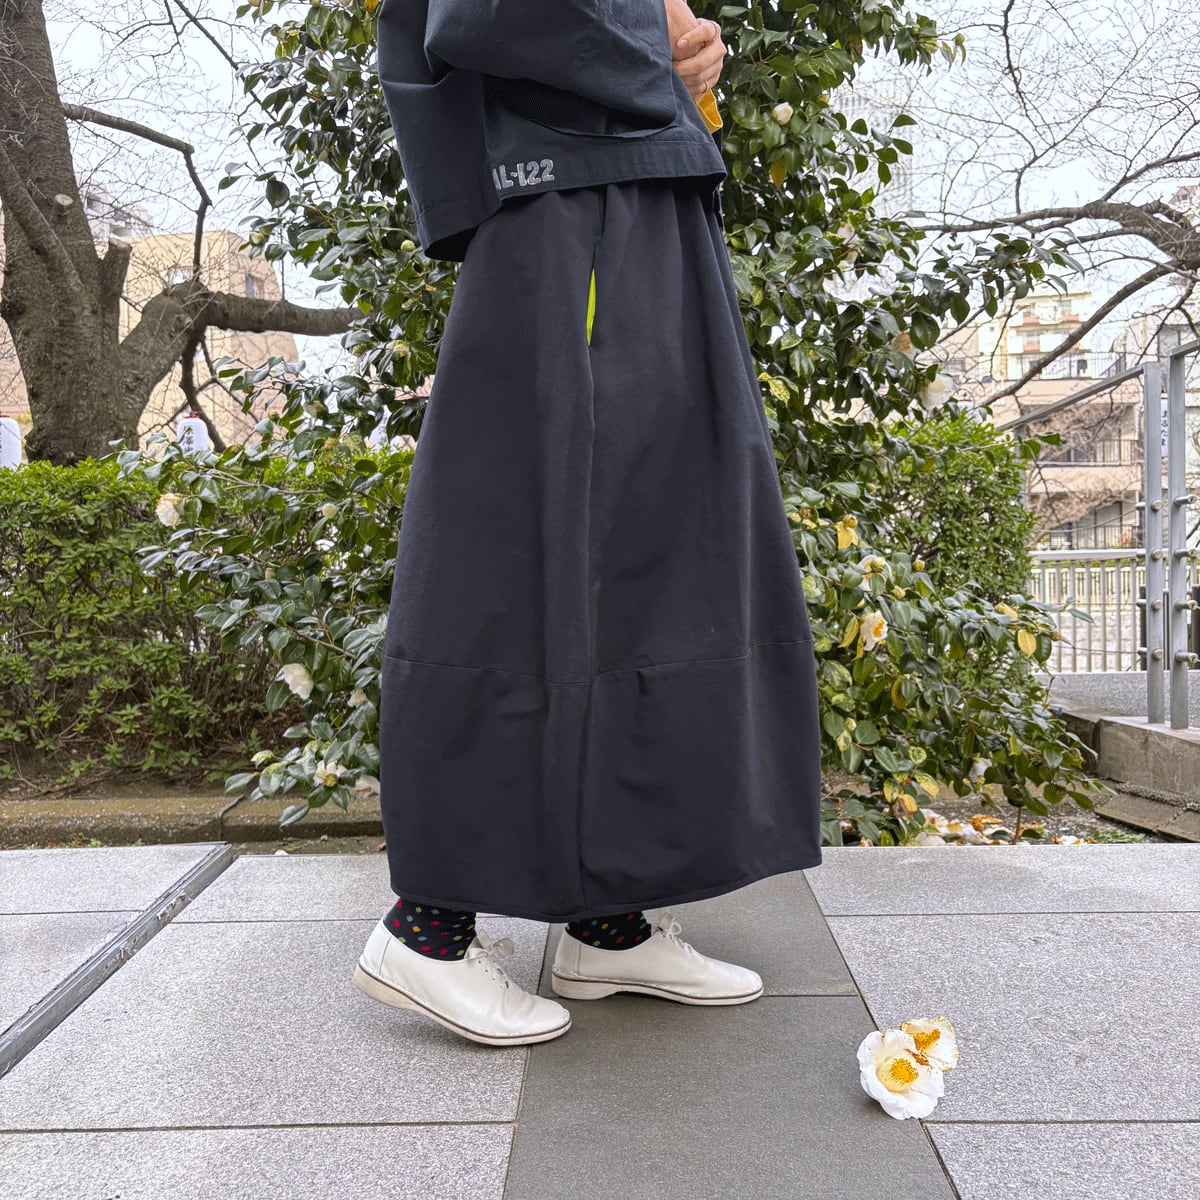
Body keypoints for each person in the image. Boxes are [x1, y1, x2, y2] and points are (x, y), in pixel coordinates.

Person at [353, 0, 823, 1047]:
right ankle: (427, 931)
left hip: (631, 194)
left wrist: (680, 48)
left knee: (662, 546)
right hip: (571, 202)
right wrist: (651, 43)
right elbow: (481, 13)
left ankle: (608, 921)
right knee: (517, 544)